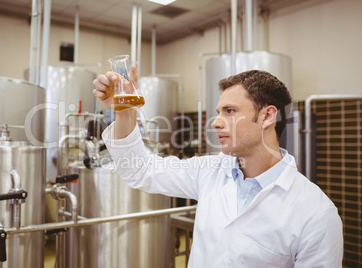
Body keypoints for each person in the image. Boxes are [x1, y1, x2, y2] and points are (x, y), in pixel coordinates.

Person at [93, 68, 343, 267]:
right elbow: (141, 170)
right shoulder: (209, 170)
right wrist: (124, 112)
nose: (216, 123)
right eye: (218, 112)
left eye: (230, 111)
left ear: (267, 116)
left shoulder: (316, 213)